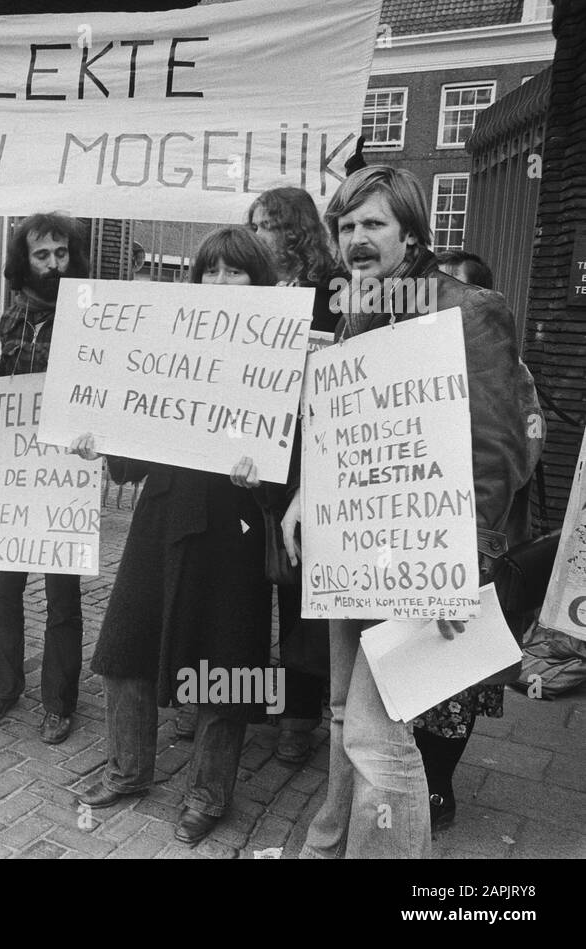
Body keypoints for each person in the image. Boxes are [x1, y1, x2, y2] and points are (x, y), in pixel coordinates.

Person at [282, 166, 539, 858]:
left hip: (422, 554)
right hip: (354, 550)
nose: (358, 239)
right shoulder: (355, 309)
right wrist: (310, 495)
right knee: (343, 714)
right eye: (347, 226)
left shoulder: (467, 308)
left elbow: (498, 448)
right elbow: (346, 429)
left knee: (375, 727)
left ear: (411, 231)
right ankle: (327, 844)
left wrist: (462, 568)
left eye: (374, 224)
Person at [73, 226, 276, 846]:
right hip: (161, 516)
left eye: (233, 272)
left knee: (225, 662)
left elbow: (292, 460)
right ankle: (128, 768)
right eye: (208, 272)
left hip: (232, 531)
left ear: (257, 283)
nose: (219, 284)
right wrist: (102, 442)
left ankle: (209, 792)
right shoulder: (170, 341)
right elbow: (135, 450)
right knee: (125, 645)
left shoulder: (279, 355)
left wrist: (261, 475)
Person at [0, 212, 90, 745]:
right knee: (2, 590)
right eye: (42, 255)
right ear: (25, 259)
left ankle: (60, 701)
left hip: (64, 473)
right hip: (15, 471)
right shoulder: (11, 315)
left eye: (61, 254)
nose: (53, 264)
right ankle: (3, 687)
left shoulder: (89, 315)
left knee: (62, 594)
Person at [413, 248, 508, 831]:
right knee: (411, 654)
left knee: (454, 670)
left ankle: (438, 784)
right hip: (409, 535)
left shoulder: (500, 372)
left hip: (466, 538)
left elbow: (513, 454)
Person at [245, 186, 341, 763]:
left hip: (311, 460)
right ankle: (252, 700)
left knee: (304, 591)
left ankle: (301, 718)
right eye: (252, 225)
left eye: (266, 226)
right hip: (261, 461)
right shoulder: (252, 292)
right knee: (259, 580)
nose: (256, 235)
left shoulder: (332, 294)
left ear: (295, 231)